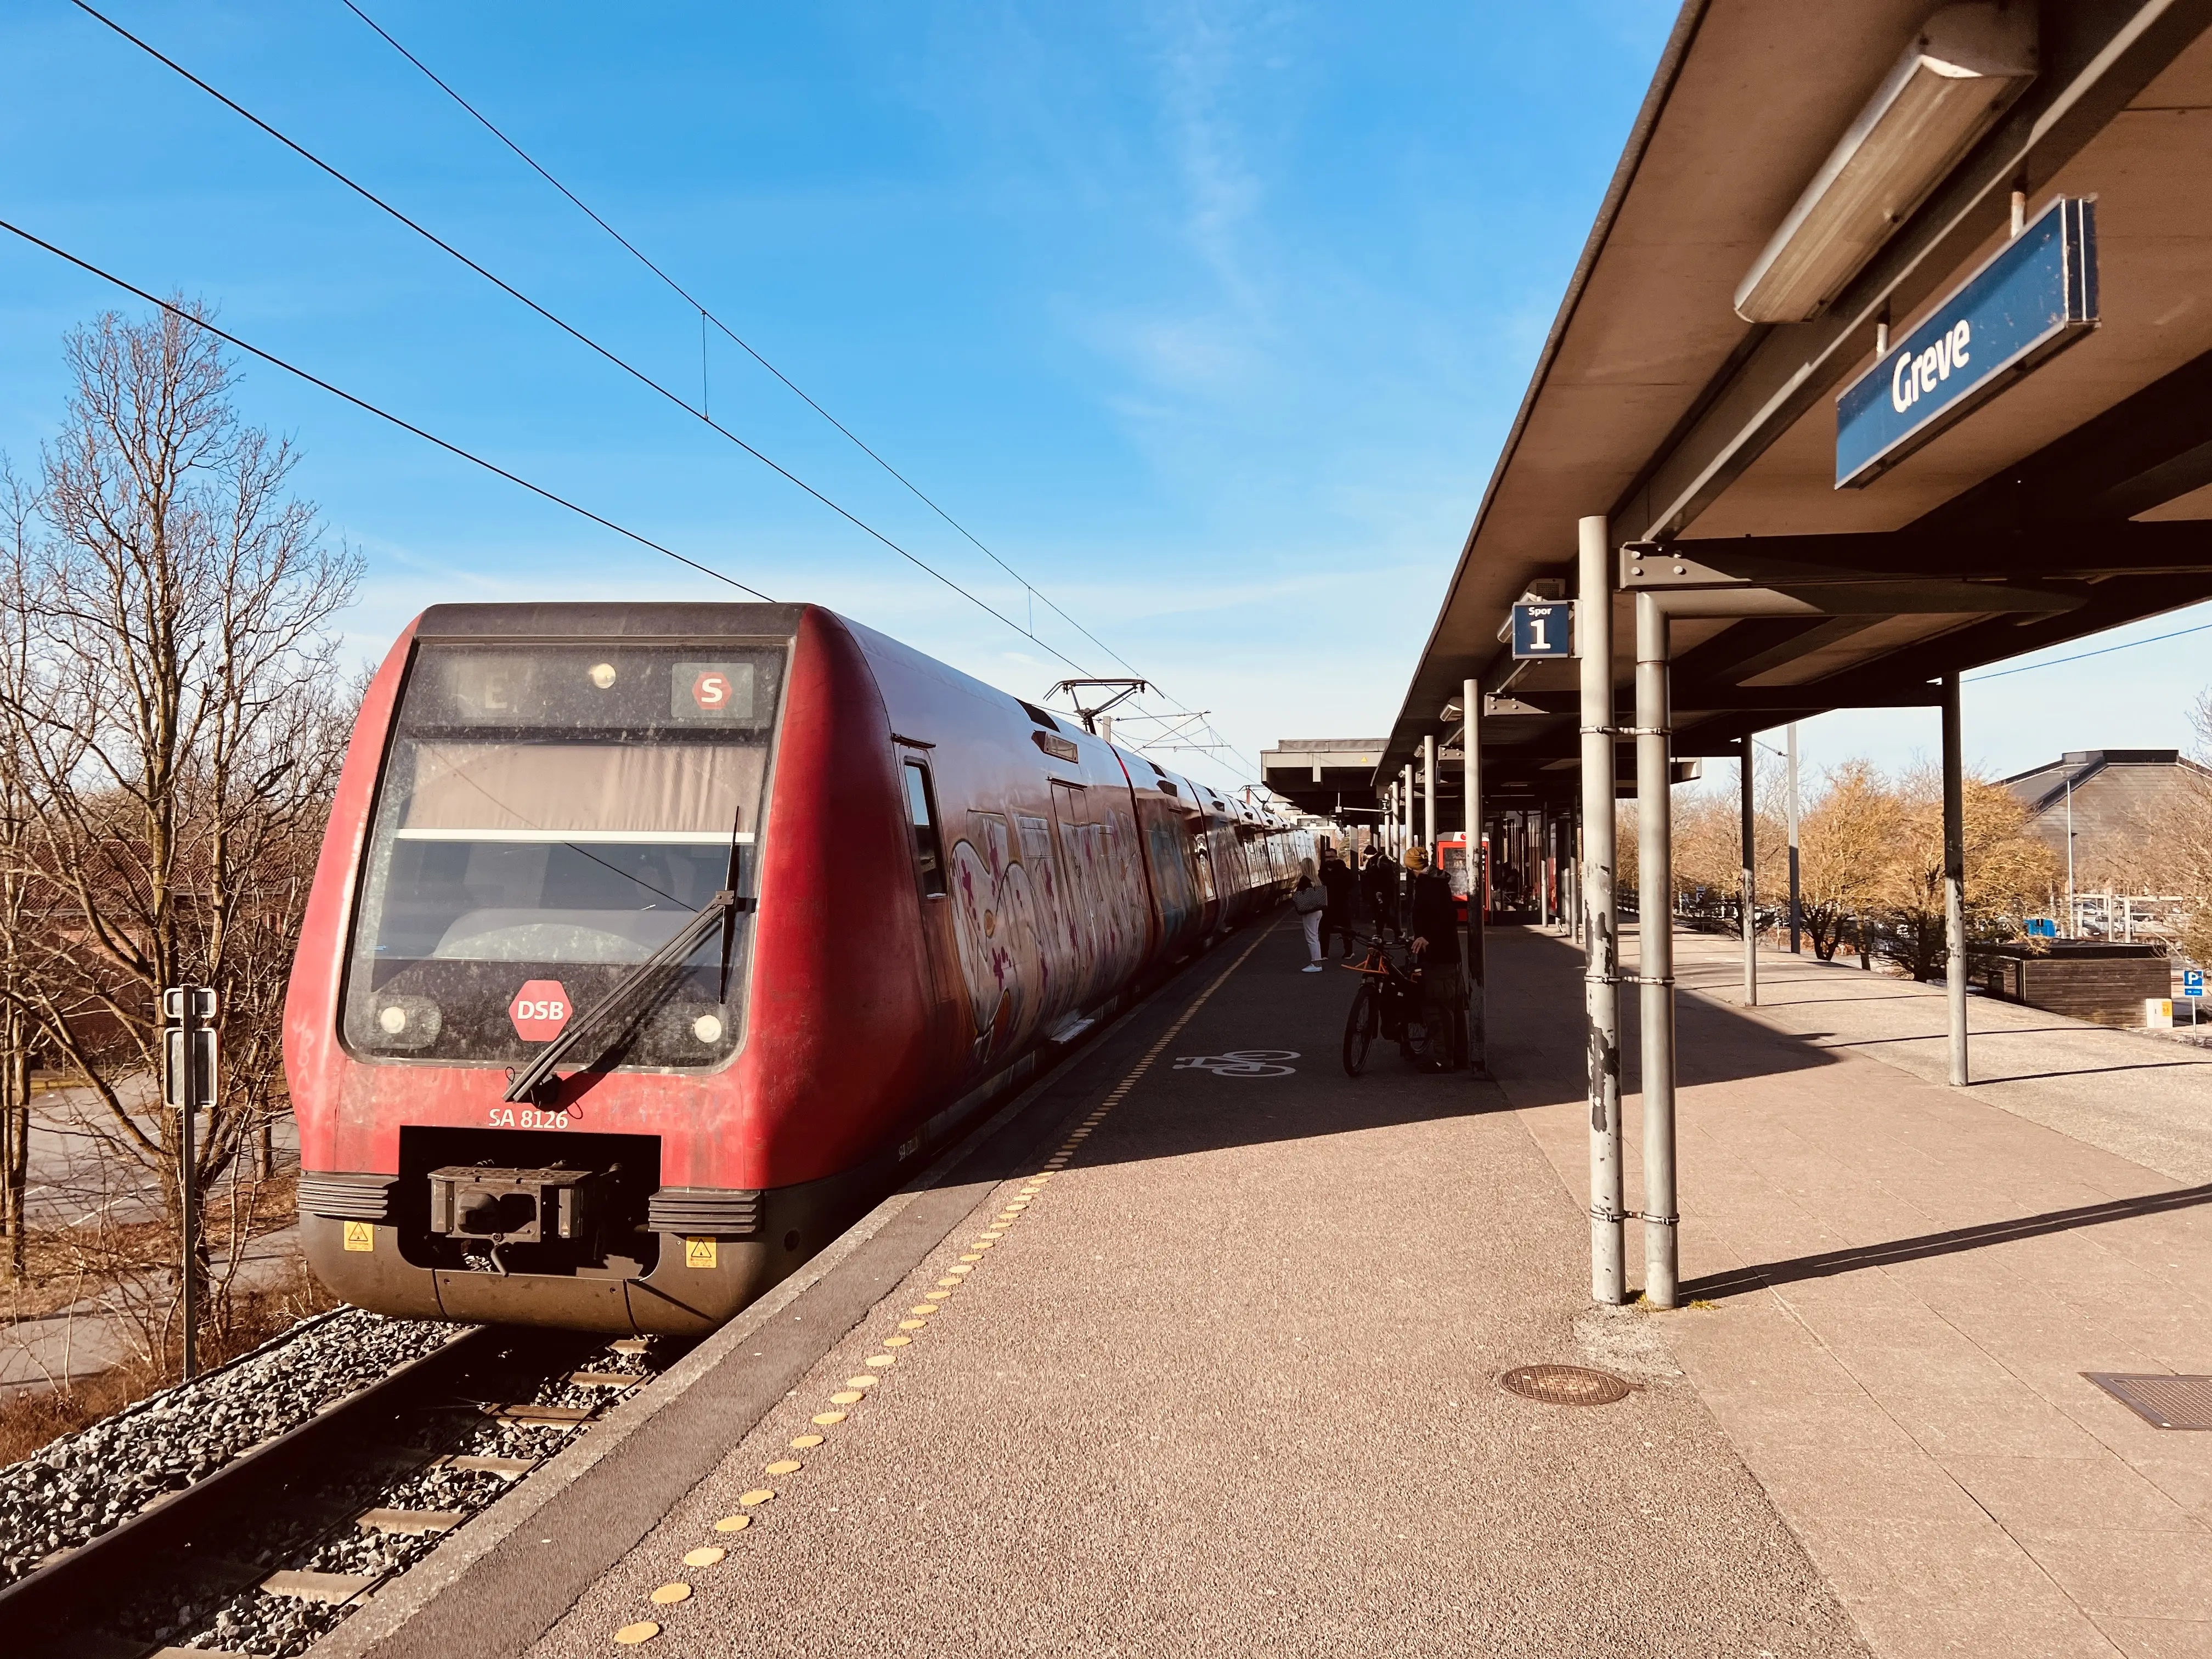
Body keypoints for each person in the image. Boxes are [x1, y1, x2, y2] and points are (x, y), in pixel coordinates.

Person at [1405, 844, 1469, 1071]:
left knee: (1438, 1007)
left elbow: (1445, 917)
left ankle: (1445, 1060)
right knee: (1452, 1008)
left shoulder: (1428, 885)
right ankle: (1460, 1056)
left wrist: (1426, 937)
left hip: (1440, 956)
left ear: (1409, 866)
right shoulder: (1436, 882)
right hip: (1447, 953)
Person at [1319, 850, 1358, 959]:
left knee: (1345, 929)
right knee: (1325, 930)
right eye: (1326, 857)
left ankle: (1349, 952)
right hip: (1327, 905)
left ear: (1336, 857)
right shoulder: (1322, 871)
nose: (1329, 859)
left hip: (1342, 904)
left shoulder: (1344, 870)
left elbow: (1352, 884)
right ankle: (1324, 954)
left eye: (1331, 857)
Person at [1290, 857, 1327, 970]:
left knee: (1311, 938)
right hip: (1318, 911)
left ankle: (1316, 964)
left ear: (1305, 867)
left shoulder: (1304, 879)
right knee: (1315, 937)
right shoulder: (1317, 879)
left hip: (1310, 911)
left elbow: (1299, 895)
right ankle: (1318, 963)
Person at [1361, 846, 1401, 938]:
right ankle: (1381, 934)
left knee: (1383, 913)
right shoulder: (1376, 861)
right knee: (1380, 914)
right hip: (1379, 893)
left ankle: (1397, 932)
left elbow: (1384, 878)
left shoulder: (1381, 861)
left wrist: (1380, 891)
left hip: (1382, 893)